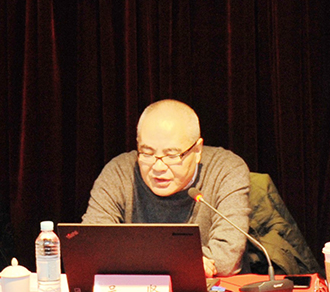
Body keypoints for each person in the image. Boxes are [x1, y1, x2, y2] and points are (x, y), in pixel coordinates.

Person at [81, 99, 250, 276]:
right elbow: (90, 246)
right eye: (147, 153)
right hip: (135, 290)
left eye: (172, 155)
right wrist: (184, 263)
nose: (158, 167)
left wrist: (132, 259)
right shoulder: (119, 172)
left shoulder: (226, 169)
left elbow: (226, 257)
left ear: (197, 150)